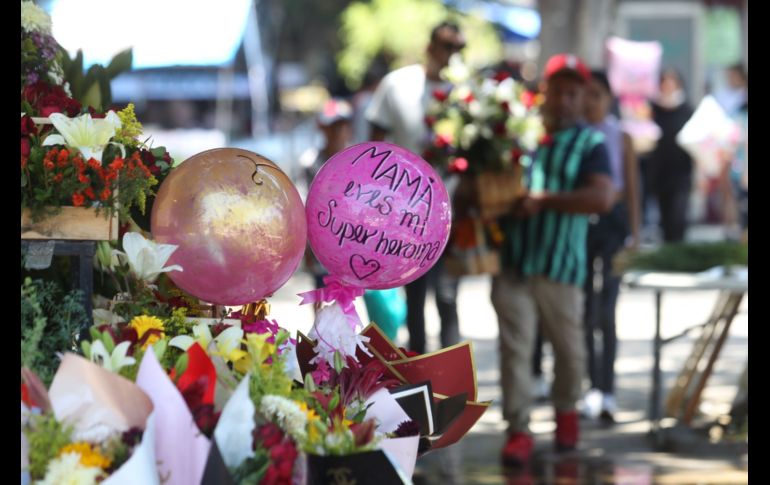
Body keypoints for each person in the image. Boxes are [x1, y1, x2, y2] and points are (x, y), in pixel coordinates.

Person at [492, 53, 614, 466]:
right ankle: (519, 431)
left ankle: (566, 419)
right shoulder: (517, 136)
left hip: (561, 269)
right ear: (544, 92)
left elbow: (602, 196)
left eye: (573, 93)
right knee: (515, 351)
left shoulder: (591, 143)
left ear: (582, 98)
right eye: (557, 90)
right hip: (513, 264)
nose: (564, 99)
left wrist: (544, 201)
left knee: (570, 352)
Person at [365, 21, 466, 354]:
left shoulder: (466, 92)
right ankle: (418, 364)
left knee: (449, 293)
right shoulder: (399, 84)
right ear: (430, 47)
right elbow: (374, 142)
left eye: (457, 48)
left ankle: (451, 371)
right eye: (445, 46)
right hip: (408, 213)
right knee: (415, 291)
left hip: (456, 206)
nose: (451, 55)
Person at [580, 70, 641, 424]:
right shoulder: (577, 135)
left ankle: (609, 391)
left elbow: (632, 187)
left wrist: (634, 233)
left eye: (597, 95)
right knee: (587, 308)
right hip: (582, 223)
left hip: (613, 223)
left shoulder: (621, 136)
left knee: (608, 309)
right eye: (585, 94)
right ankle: (592, 388)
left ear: (608, 98)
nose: (591, 102)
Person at [301, 98, 354, 290]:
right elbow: (306, 205)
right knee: (323, 302)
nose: (338, 132)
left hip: (353, 246)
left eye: (342, 126)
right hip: (321, 245)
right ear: (322, 128)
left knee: (350, 306)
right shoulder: (311, 163)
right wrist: (306, 246)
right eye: (332, 127)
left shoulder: (358, 162)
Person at [648, 68, 694, 242]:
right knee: (664, 215)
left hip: (681, 172)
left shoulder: (687, 110)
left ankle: (678, 246)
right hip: (659, 172)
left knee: (678, 214)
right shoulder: (653, 109)